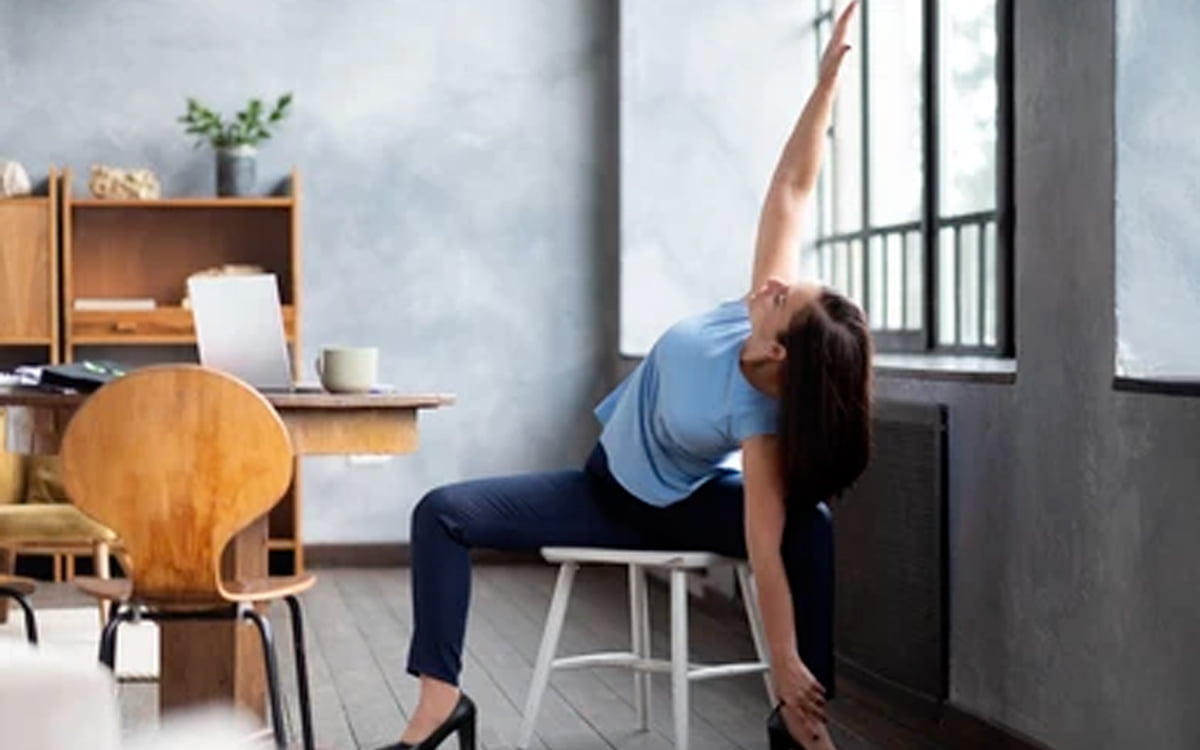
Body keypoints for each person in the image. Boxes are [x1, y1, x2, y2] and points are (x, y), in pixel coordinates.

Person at [379, 3, 866, 749]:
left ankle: (802, 723)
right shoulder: (753, 315)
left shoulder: (761, 427)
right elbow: (793, 189)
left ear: (781, 356)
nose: (773, 285)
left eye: (783, 298)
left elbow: (765, 556)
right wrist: (827, 80)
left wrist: (787, 662)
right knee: (440, 513)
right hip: (601, 489)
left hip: (672, 510)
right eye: (783, 285)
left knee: (808, 527)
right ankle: (438, 707)